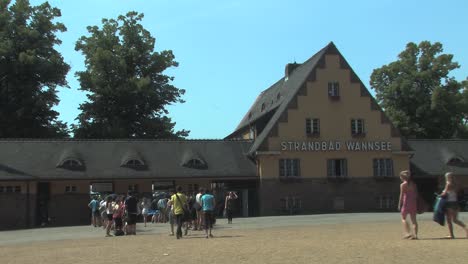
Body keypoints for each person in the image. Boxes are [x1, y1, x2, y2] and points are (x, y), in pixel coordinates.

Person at [440, 172, 468, 239]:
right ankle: (466, 228)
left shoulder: (448, 184)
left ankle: (451, 235)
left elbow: (444, 194)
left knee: (449, 220)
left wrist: (440, 194)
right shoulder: (456, 184)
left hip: (449, 204)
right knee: (455, 220)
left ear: (447, 177)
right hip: (456, 203)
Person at [398, 170, 418, 239]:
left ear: (402, 177)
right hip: (413, 202)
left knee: (403, 218)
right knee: (414, 220)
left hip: (406, 202)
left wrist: (399, 204)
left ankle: (408, 233)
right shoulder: (413, 184)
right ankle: (415, 235)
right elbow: (416, 194)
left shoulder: (403, 185)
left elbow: (401, 195)